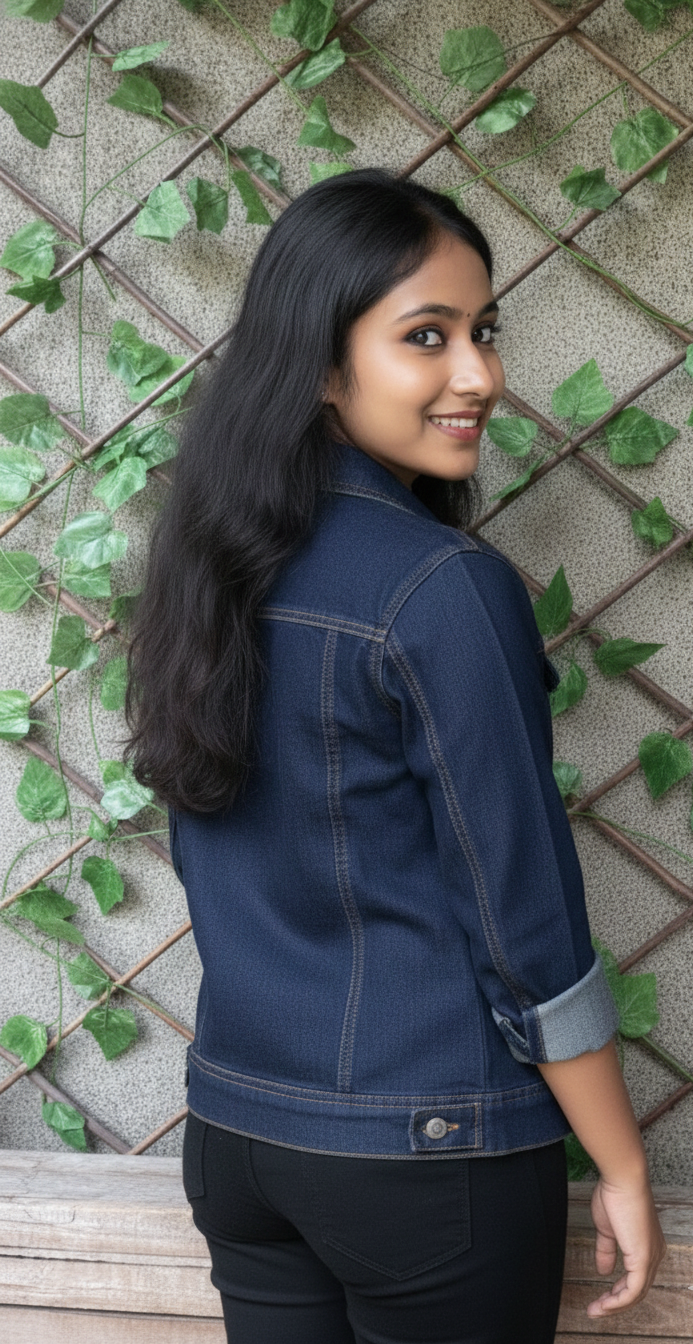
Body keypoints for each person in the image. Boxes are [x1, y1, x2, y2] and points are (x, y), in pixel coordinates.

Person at [126, 168, 666, 1344]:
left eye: (484, 331)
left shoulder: (207, 569)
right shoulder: (441, 591)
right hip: (428, 1159)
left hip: (240, 1143)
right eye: (428, 337)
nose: (481, 375)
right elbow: (524, 928)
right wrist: (620, 1161)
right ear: (323, 364)